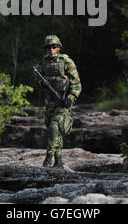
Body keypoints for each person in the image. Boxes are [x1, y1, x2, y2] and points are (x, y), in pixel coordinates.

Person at [35, 35, 81, 169]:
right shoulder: (43, 63)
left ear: (59, 47)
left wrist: (71, 98)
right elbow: (37, 79)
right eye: (48, 47)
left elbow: (77, 84)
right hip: (49, 103)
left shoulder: (66, 61)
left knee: (55, 126)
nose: (51, 49)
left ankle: (49, 156)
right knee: (53, 131)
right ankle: (59, 161)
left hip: (63, 102)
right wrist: (41, 84)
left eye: (54, 46)